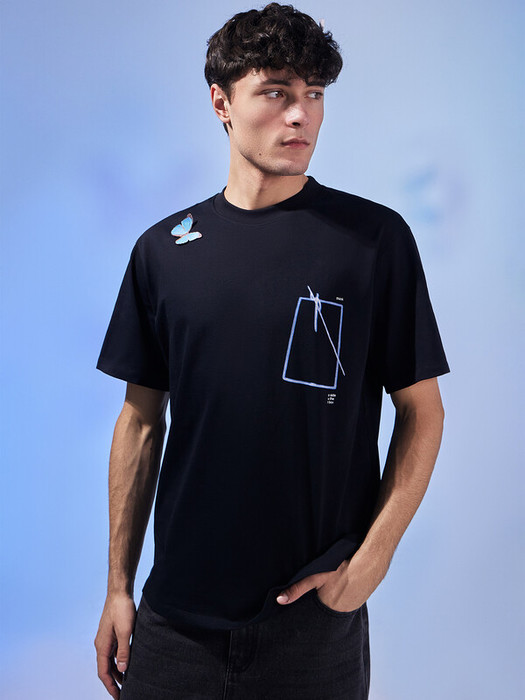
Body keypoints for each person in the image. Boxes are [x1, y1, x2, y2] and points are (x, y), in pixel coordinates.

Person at [94, 3, 449, 699]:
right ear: (221, 103)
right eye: (277, 92)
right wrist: (117, 588)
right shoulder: (163, 252)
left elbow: (423, 412)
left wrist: (371, 562)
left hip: (313, 624)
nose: (300, 115)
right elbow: (139, 422)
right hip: (173, 623)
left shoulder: (373, 241)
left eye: (314, 94)